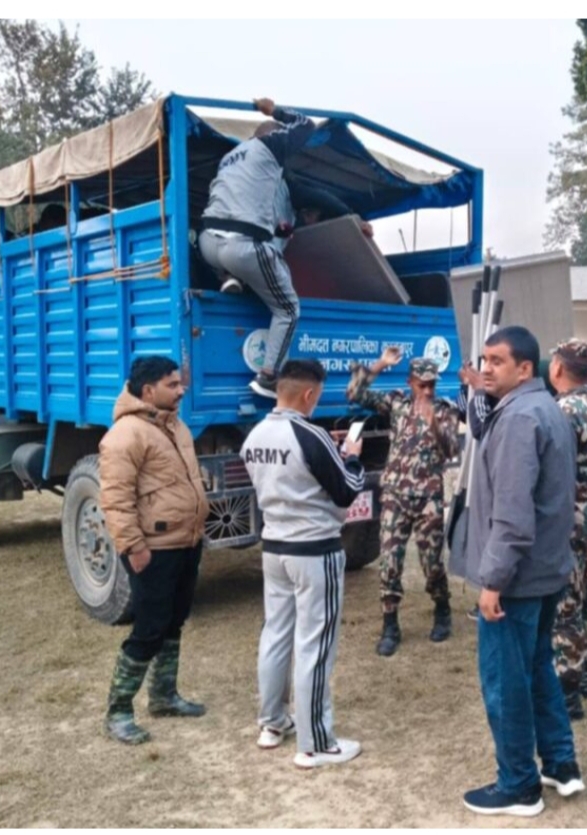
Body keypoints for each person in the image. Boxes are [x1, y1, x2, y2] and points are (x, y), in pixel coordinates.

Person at [460, 325, 583, 817]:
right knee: (536, 669)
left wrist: (493, 581)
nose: (486, 369)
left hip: (518, 578)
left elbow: (512, 514)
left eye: (497, 361)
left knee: (505, 681)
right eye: (484, 360)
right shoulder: (545, 407)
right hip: (545, 568)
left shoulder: (518, 418)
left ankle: (518, 785)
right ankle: (561, 764)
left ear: (525, 368)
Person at [242, 359, 365, 768]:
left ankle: (272, 722)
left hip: (275, 546)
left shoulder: (256, 434)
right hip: (314, 549)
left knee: (275, 635)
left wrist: (329, 454)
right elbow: (346, 489)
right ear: (309, 394)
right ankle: (316, 743)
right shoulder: (311, 434)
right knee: (315, 643)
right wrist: (351, 457)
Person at [98, 356, 210, 745]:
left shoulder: (175, 425)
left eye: (180, 383)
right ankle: (118, 712)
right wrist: (133, 547)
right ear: (148, 391)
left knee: (174, 620)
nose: (181, 390)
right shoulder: (125, 435)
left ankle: (163, 696)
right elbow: (116, 498)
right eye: (172, 384)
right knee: (148, 629)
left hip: (186, 541)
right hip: (153, 548)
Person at [198, 98, 316, 399]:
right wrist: (274, 110)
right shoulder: (270, 145)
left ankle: (229, 278)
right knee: (288, 309)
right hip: (243, 246)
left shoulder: (229, 158)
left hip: (208, 243)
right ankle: (269, 377)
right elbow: (306, 125)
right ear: (272, 136)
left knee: (239, 258)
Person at [347, 348, 460, 656]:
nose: (428, 391)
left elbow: (452, 449)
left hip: (428, 499)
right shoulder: (397, 404)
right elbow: (355, 393)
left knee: (432, 564)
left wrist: (433, 422)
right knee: (390, 563)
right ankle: (390, 625)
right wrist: (380, 364)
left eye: (432, 385)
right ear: (410, 382)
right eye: (422, 385)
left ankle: (442, 607)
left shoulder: (445, 410)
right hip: (396, 497)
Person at [546, 339, 587, 719]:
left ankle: (568, 692)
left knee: (566, 605)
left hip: (566, 521)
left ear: (558, 368)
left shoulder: (562, 412)